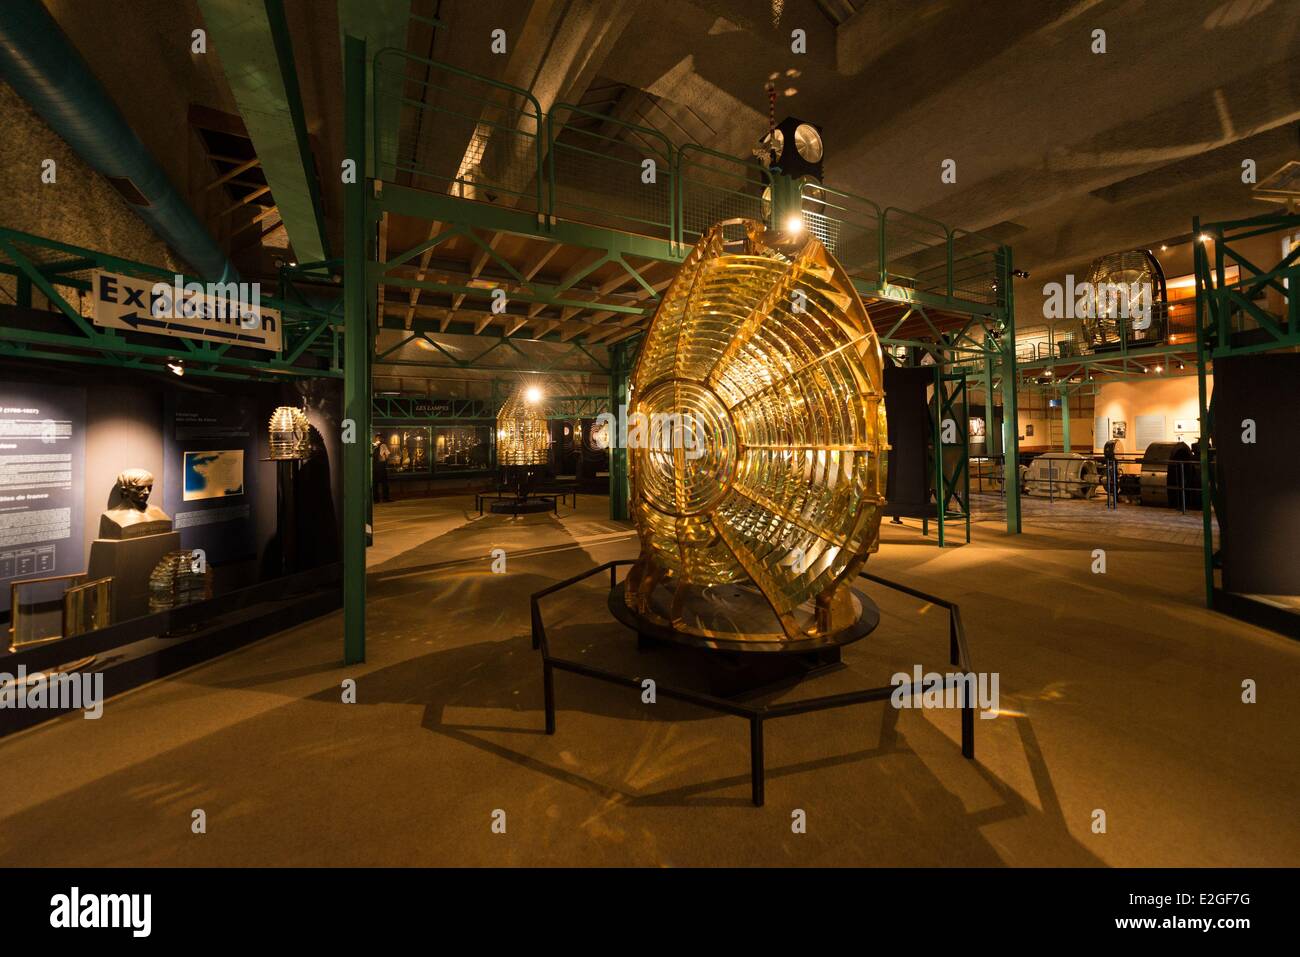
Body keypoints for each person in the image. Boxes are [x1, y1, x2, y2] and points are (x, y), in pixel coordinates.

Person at [372, 435, 392, 503]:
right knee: (384, 483)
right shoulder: (383, 445)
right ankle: (385, 498)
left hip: (374, 466)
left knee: (375, 484)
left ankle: (376, 499)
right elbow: (387, 455)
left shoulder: (372, 446)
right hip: (381, 466)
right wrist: (385, 457)